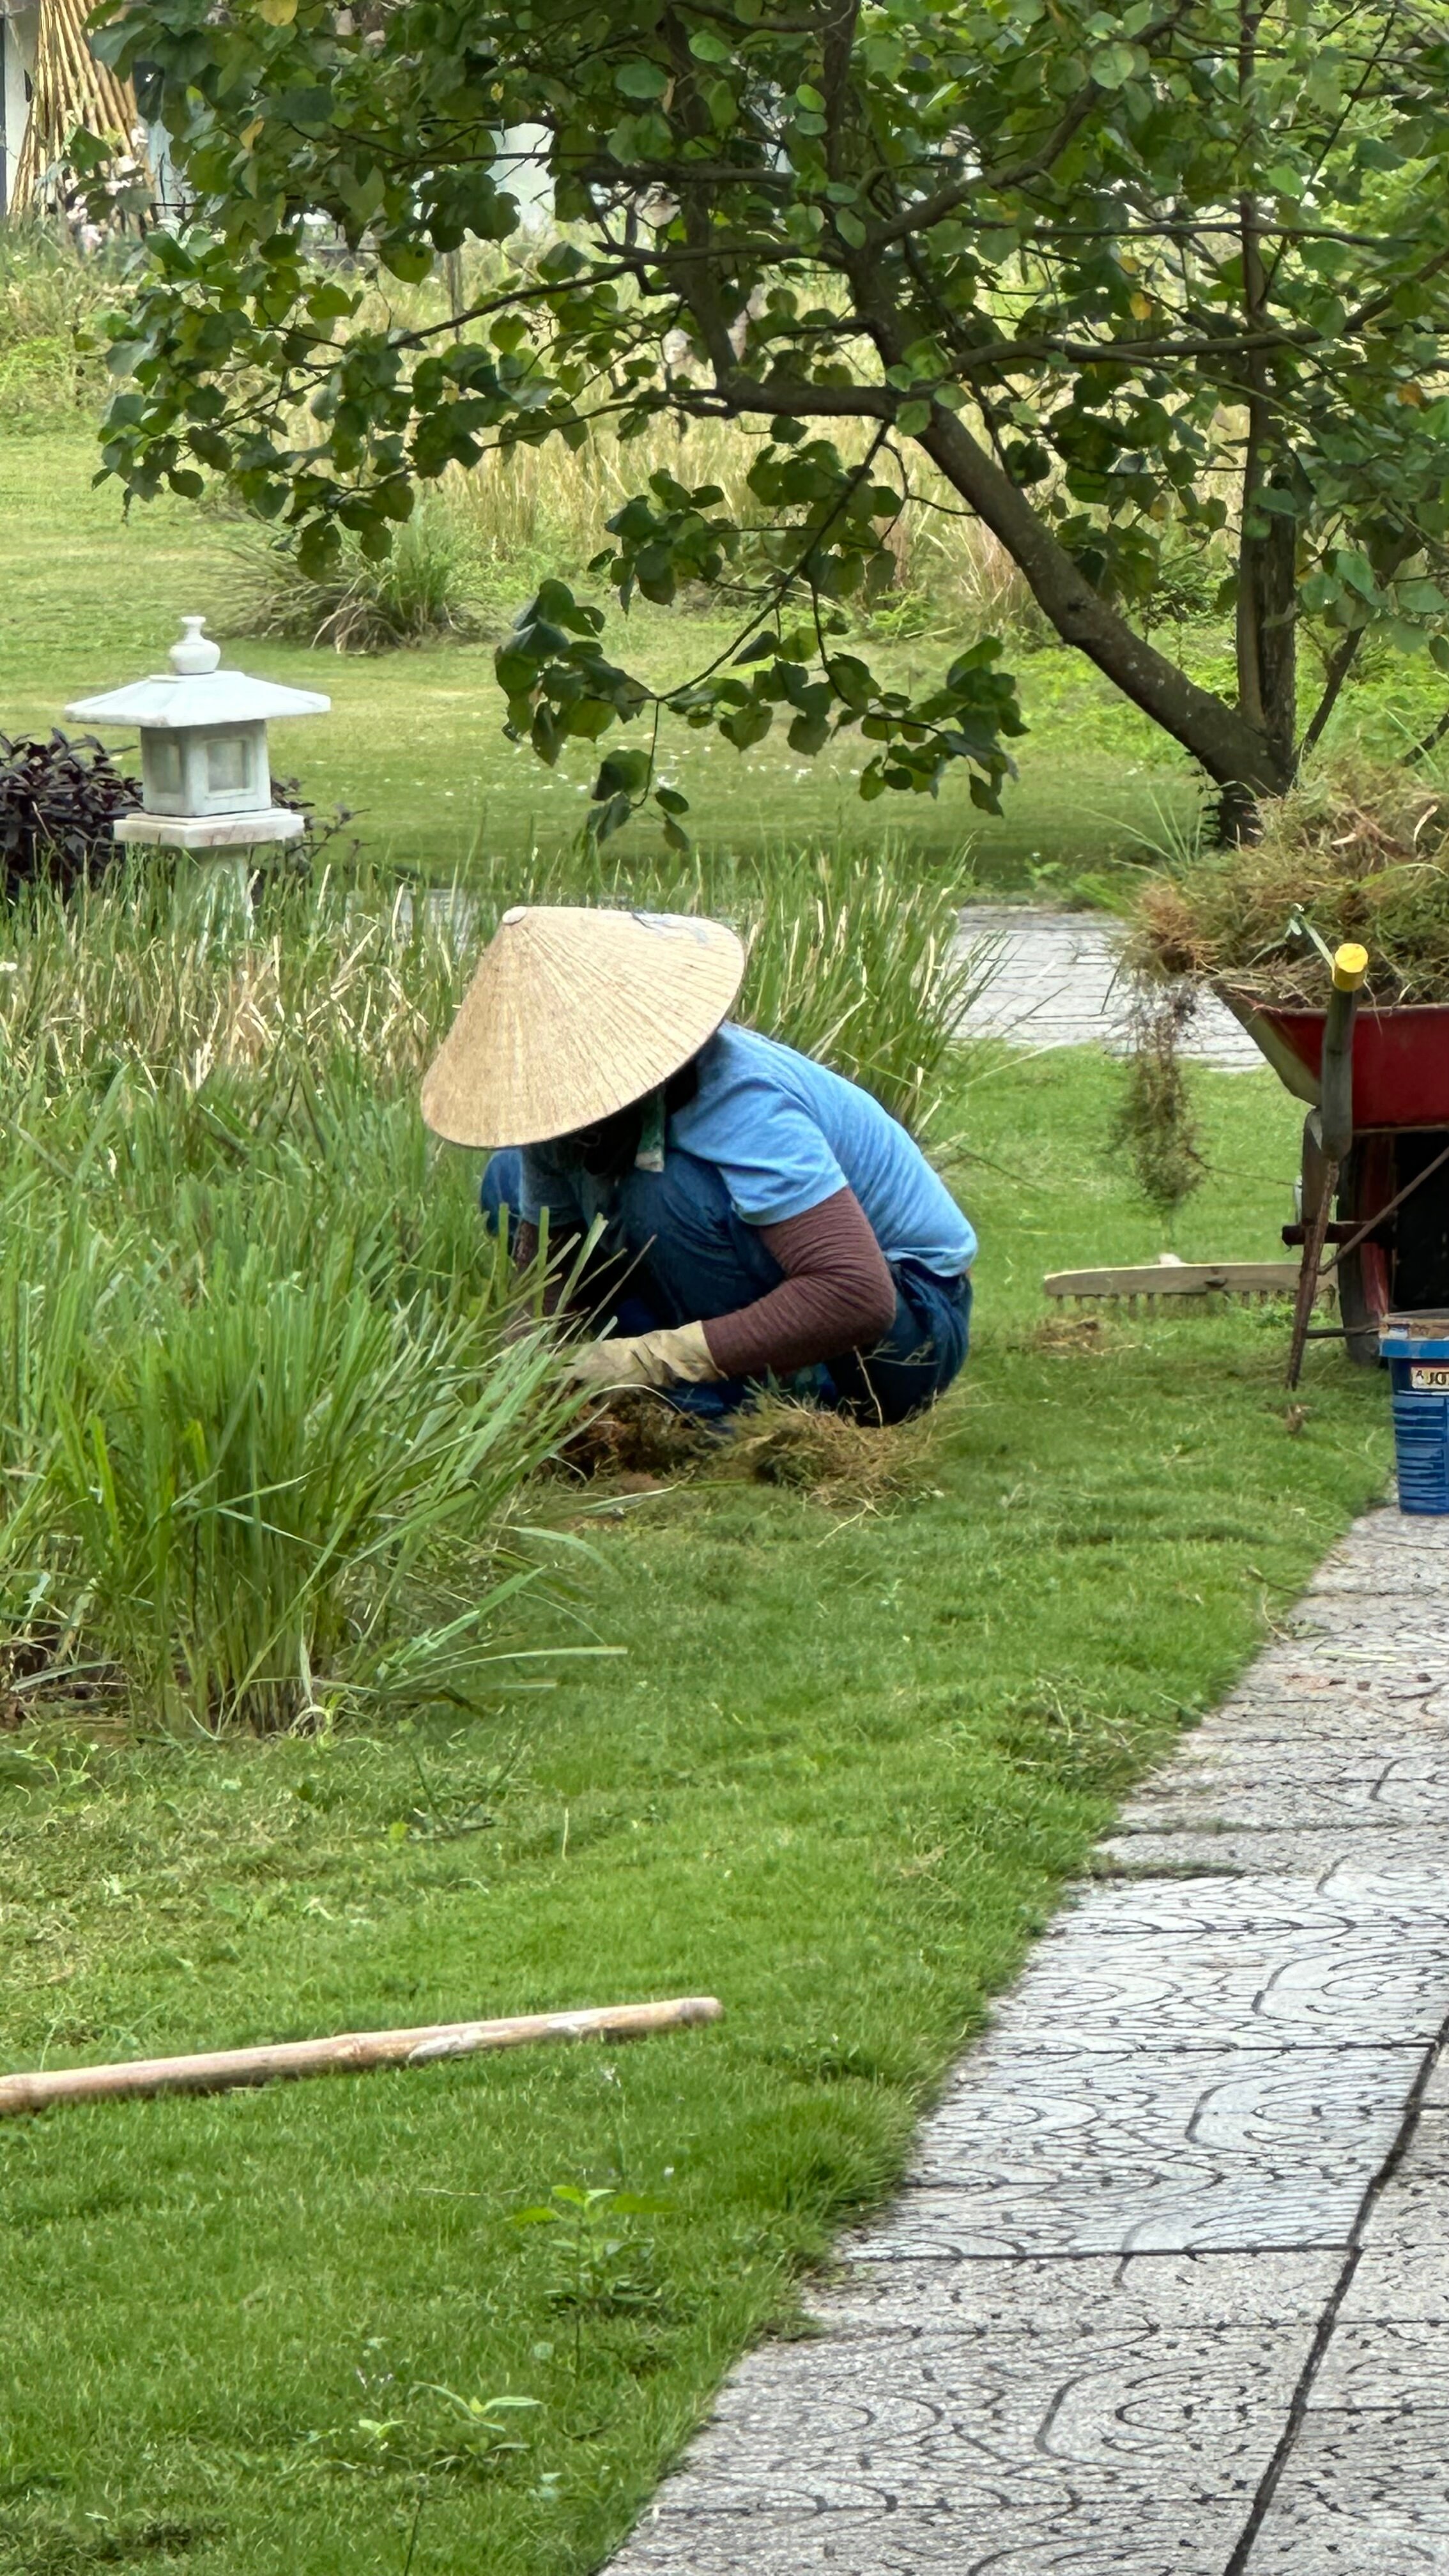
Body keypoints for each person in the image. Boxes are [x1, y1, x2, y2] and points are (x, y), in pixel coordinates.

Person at [420, 904, 975, 1422]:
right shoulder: (559, 1106)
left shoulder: (742, 1098)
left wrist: (652, 1359)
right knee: (508, 1179)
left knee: (664, 1193)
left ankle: (749, 1401)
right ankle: (705, 1376)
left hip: (903, 1329)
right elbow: (555, 1265)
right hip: (756, 1286)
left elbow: (856, 1296)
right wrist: (528, 1371)